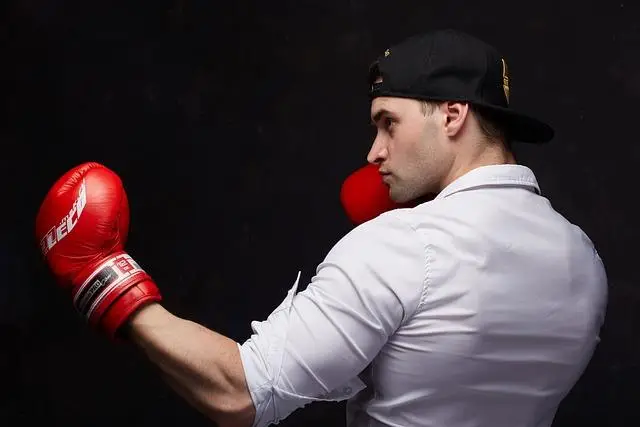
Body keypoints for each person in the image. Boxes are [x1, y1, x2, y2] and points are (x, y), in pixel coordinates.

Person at [35, 29, 608, 427]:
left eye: (389, 123)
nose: (374, 151)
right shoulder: (582, 258)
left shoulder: (404, 247)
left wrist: (102, 274)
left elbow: (240, 393)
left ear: (452, 114)